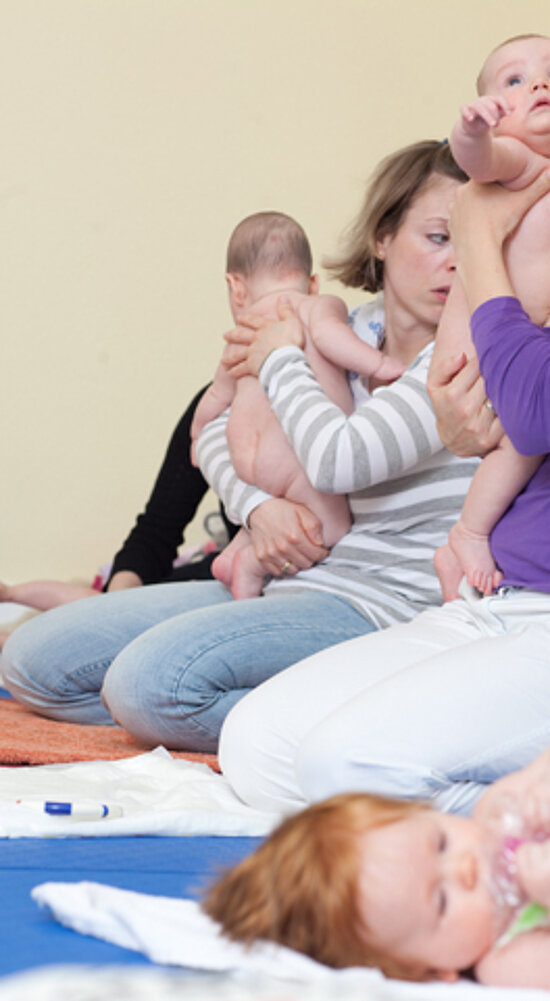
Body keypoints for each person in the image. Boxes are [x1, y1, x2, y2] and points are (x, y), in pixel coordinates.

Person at [215, 0, 550, 822]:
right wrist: (489, 389)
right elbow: (469, 410)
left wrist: (470, 230)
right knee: (257, 742)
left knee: (341, 763)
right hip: (512, 600)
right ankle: (548, 811)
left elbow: (535, 410)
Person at [0, 140, 476, 758]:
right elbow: (213, 433)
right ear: (383, 238)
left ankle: (344, 723)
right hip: (288, 579)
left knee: (148, 686)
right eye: (439, 238)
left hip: (380, 605)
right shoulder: (333, 323)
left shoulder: (464, 356)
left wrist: (280, 354)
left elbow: (339, 459)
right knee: (34, 661)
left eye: (475, 247)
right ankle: (285, 702)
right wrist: (255, 507)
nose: (457, 266)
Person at [205, 724, 550, 995]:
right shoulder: (511, 955)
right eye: (441, 900)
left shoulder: (502, 814)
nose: (465, 866)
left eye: (440, 844)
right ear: (431, 971)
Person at [433, 33, 550, 598]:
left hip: (517, 352)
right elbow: (478, 161)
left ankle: (462, 546)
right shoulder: (522, 164)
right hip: (479, 350)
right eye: (513, 81)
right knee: (523, 444)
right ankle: (468, 533)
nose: (537, 85)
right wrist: (473, 129)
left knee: (530, 441)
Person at [192, 210, 404, 600]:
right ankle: (252, 566)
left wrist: (197, 433)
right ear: (312, 282)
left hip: (245, 454)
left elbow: (216, 397)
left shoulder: (240, 334)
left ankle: (234, 550)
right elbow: (334, 340)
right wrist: (382, 364)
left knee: (280, 509)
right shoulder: (313, 306)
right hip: (292, 454)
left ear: (235, 287)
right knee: (331, 526)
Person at [0, 384, 237, 647]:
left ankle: (14, 637)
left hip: (239, 590)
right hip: (209, 581)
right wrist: (117, 602)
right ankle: (15, 619)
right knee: (98, 608)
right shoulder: (218, 407)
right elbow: (156, 532)